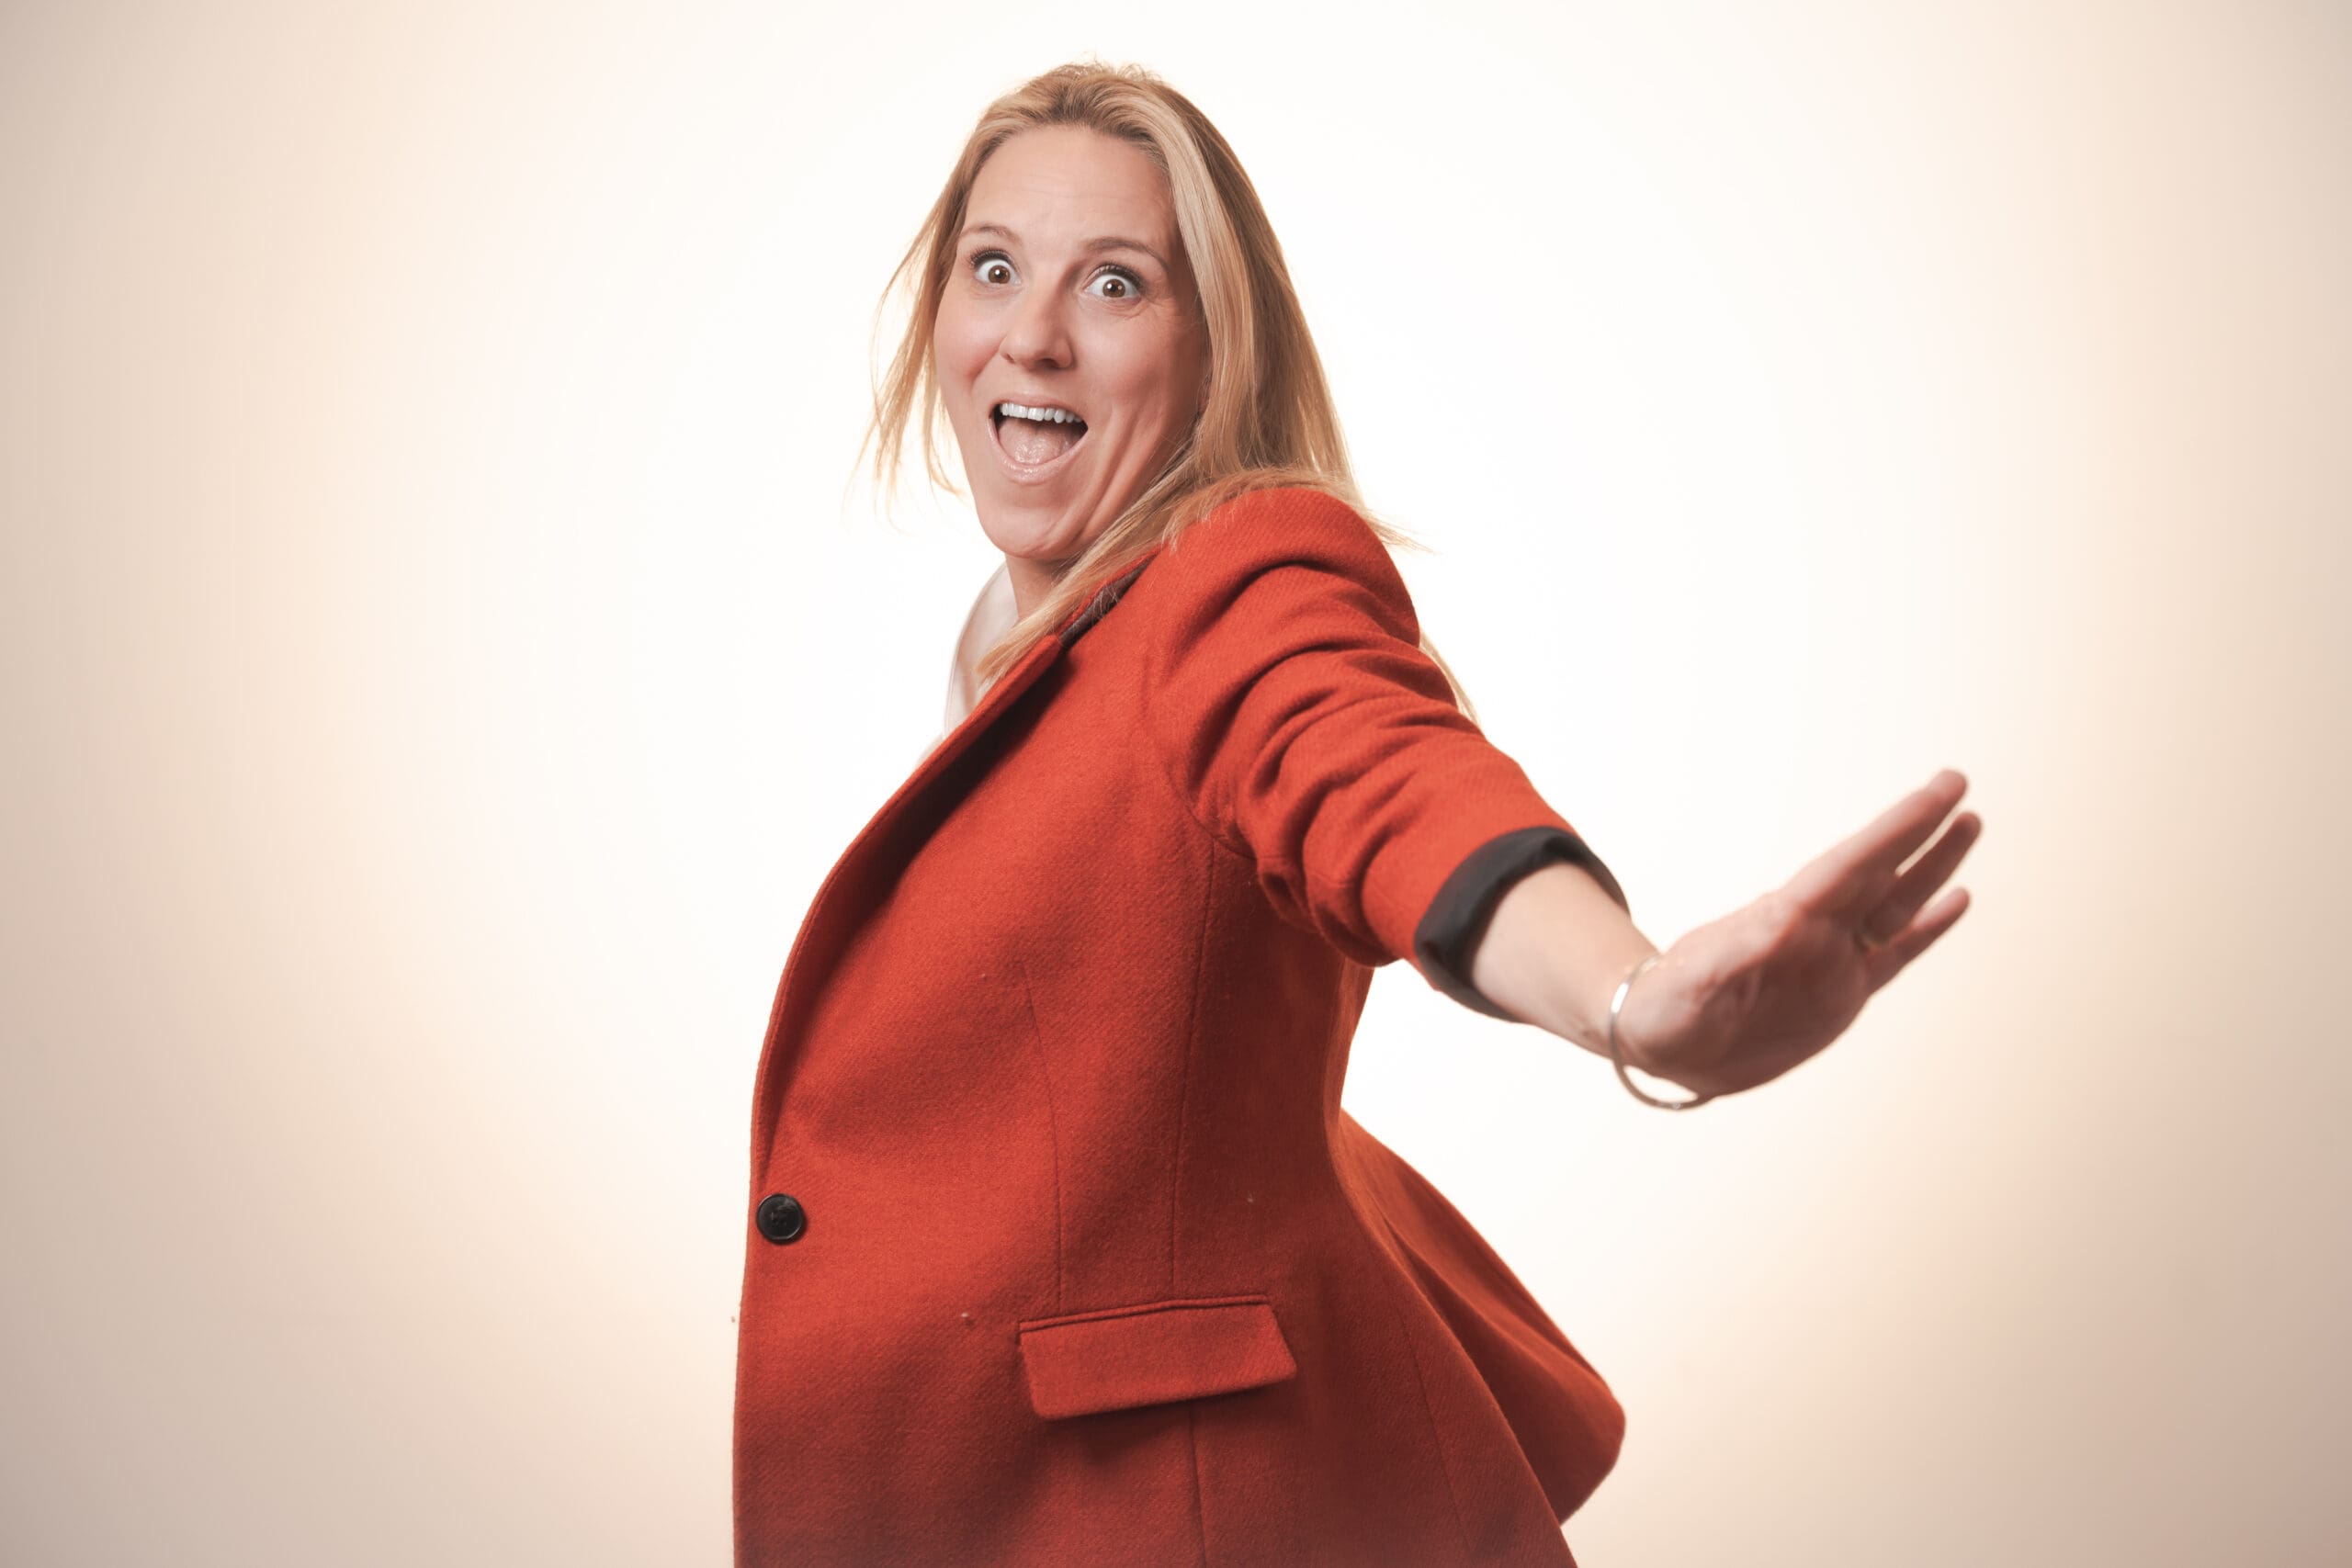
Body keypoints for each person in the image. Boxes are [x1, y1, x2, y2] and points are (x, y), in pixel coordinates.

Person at [734, 59, 1979, 1567]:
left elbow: (1378, 781)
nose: (1034, 337)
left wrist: (1629, 998)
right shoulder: (1012, 637)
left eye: (1115, 284)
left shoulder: (1241, 583)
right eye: (993, 269)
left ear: (1214, 346)